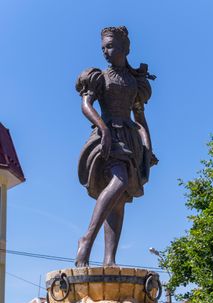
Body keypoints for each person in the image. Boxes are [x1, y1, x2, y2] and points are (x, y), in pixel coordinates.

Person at [75, 26, 157, 267]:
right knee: (119, 181)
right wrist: (102, 128)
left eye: (110, 46)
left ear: (125, 48)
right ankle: (87, 239)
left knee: (119, 199)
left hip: (130, 139)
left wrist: (148, 148)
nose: (105, 52)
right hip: (107, 137)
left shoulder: (135, 83)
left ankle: (109, 259)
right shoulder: (98, 77)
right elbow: (86, 105)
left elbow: (140, 121)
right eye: (103, 48)